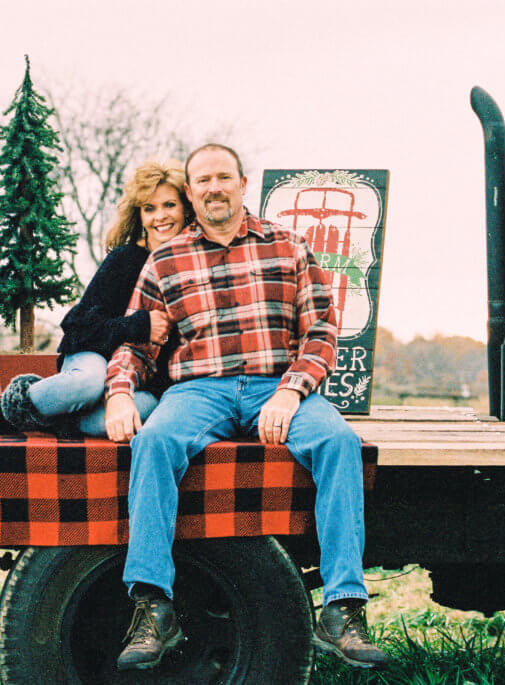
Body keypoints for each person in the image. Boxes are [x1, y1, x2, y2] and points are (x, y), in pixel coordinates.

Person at [105, 144, 390, 671]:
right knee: (155, 440)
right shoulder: (165, 260)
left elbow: (322, 329)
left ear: (242, 183)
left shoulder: (288, 245)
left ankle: (343, 610)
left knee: (340, 442)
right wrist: (120, 390)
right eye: (202, 181)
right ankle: (153, 609)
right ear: (191, 192)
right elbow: (136, 343)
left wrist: (291, 390)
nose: (213, 188)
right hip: (198, 390)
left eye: (223, 177)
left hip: (275, 385)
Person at [0, 159, 189, 438]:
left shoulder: (193, 267)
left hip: (141, 381)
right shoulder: (125, 259)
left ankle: (56, 416)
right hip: (94, 355)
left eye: (169, 205)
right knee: (87, 383)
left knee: (136, 414)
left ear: (185, 208)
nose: (160, 217)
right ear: (139, 215)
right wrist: (140, 325)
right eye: (149, 208)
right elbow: (79, 327)